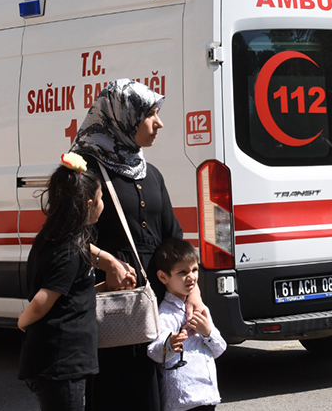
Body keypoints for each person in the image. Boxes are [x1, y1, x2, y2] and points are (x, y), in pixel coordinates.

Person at [71, 79, 203, 411]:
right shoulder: (84, 170)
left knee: (155, 392)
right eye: (151, 114)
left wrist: (193, 293)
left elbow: (173, 241)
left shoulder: (151, 173)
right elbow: (62, 239)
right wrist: (108, 263)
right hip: (111, 306)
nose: (159, 123)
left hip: (154, 309)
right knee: (115, 391)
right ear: (123, 117)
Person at [17, 152, 135, 411]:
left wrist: (107, 284)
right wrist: (23, 321)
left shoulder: (55, 240)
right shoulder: (69, 250)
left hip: (60, 362)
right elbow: (42, 300)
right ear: (90, 204)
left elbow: (70, 295)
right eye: (102, 199)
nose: (103, 205)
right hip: (60, 362)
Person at [148, 238, 226, 411]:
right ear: (163, 277)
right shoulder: (165, 314)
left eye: (195, 270)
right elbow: (153, 351)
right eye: (182, 272)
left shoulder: (201, 308)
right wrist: (169, 344)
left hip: (207, 394)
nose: (191, 277)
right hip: (182, 398)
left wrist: (208, 332)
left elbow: (220, 348)